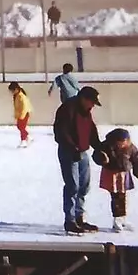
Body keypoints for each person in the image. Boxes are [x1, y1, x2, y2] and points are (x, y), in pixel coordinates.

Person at [53, 85, 102, 234]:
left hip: (82, 152)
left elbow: (91, 130)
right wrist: (72, 147)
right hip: (69, 153)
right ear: (83, 98)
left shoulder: (86, 112)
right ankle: (70, 220)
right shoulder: (67, 109)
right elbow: (61, 131)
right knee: (72, 185)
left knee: (84, 186)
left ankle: (80, 217)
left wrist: (99, 146)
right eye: (91, 102)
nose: (93, 106)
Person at [93, 128, 138, 233]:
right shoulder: (107, 146)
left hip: (124, 174)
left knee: (122, 195)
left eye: (125, 142)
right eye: (121, 142)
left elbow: (136, 158)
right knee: (116, 196)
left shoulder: (130, 147)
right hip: (112, 174)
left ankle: (122, 218)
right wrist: (102, 159)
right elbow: (97, 155)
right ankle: (117, 218)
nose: (123, 145)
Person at [8, 82, 33, 147]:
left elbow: (25, 107)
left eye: (12, 91)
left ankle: (23, 140)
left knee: (21, 127)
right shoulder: (16, 95)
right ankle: (27, 136)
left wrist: (22, 115)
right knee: (20, 126)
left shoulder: (21, 96)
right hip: (21, 113)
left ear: (16, 89)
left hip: (24, 113)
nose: (11, 92)